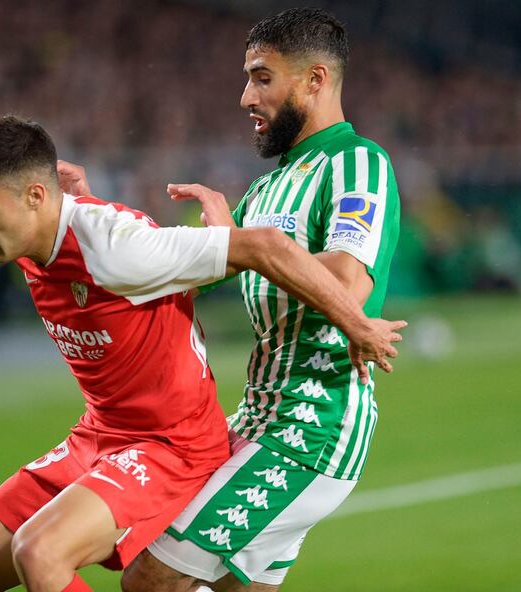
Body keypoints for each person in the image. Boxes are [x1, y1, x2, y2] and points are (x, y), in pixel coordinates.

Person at [0, 115, 404, 592]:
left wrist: (356, 324)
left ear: (36, 197)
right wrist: (76, 199)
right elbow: (77, 224)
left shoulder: (116, 248)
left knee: (39, 553)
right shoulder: (34, 232)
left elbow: (267, 246)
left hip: (170, 445)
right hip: (97, 437)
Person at [62, 8, 403, 592]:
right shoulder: (269, 187)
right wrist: (94, 216)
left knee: (151, 576)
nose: (246, 96)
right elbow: (180, 271)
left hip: (313, 424)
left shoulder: (357, 163)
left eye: (262, 77)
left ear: (315, 80)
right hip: (254, 415)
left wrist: (244, 247)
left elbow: (346, 283)